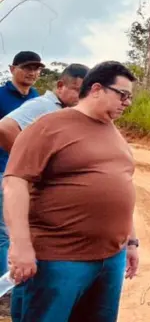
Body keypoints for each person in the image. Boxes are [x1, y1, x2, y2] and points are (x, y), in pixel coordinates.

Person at [3, 61, 139, 322]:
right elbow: (15, 183)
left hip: (111, 258)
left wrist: (131, 241)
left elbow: (122, 185)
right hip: (60, 259)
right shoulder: (49, 126)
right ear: (97, 89)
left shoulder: (114, 132)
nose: (127, 102)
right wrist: (20, 246)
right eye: (123, 95)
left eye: (129, 96)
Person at [0, 51, 44, 277]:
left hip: (32, 175)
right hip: (4, 170)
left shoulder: (38, 99)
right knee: (5, 229)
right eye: (27, 67)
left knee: (27, 225)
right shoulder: (0, 96)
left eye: (36, 69)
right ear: (11, 69)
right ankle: (6, 285)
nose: (32, 72)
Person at [0, 64, 89, 152]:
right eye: (78, 90)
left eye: (87, 93)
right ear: (60, 86)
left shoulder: (64, 109)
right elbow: (5, 127)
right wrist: (29, 161)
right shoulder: (44, 105)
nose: (83, 96)